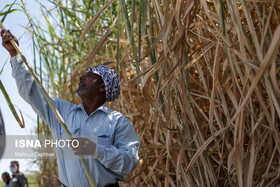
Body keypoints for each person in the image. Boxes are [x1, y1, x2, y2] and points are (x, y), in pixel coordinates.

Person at [1, 30, 140, 187]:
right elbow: (31, 91)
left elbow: (129, 163)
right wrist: (15, 55)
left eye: (90, 76)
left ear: (102, 87)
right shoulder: (61, 112)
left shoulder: (118, 122)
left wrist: (93, 148)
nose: (82, 77)